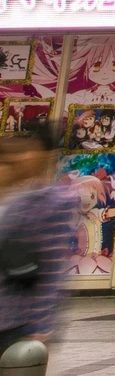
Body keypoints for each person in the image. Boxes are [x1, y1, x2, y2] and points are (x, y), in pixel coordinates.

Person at [0, 121, 76, 353]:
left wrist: (43, 325)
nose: (17, 158)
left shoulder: (51, 203)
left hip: (14, 322)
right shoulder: (13, 201)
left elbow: (52, 270)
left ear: (47, 155)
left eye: (25, 150)